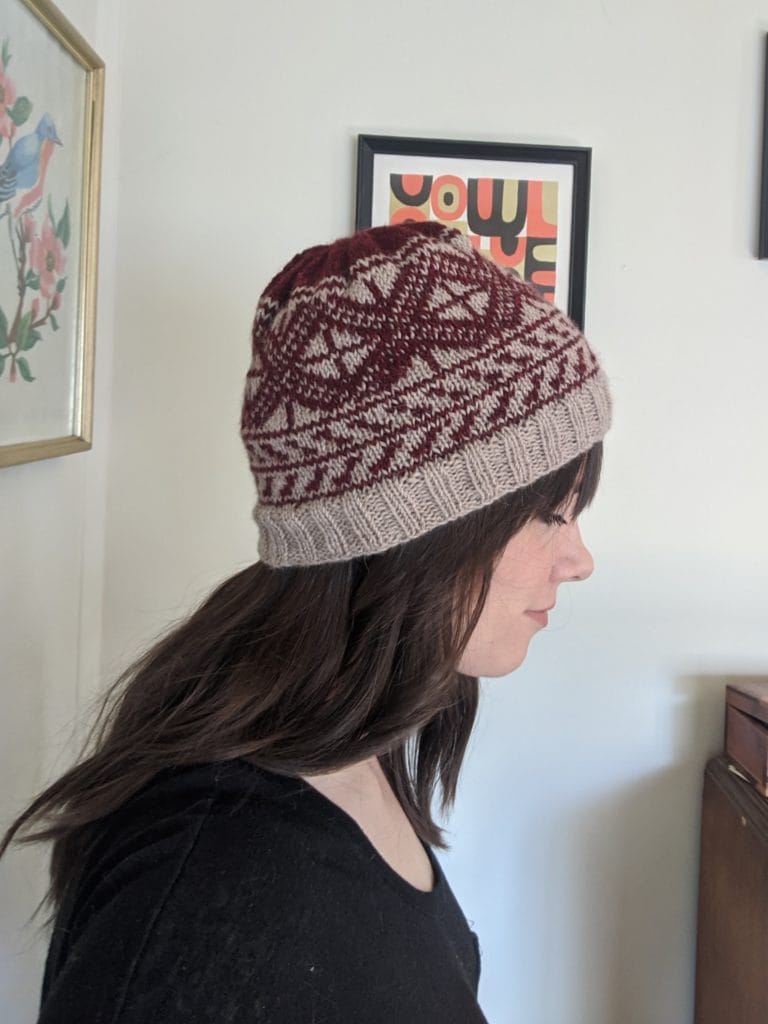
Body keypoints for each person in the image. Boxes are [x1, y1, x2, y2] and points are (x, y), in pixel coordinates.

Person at [1, 220, 611, 1022]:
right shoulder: (210, 901)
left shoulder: (354, 740)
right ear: (413, 534)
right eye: (550, 515)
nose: (580, 560)